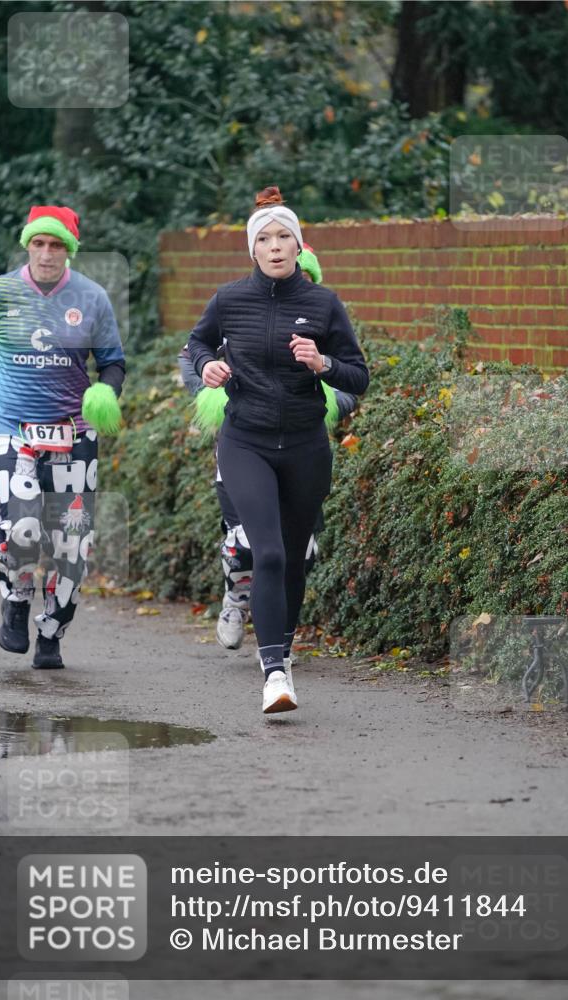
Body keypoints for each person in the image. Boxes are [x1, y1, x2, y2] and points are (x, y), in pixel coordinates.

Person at [187, 187, 369, 714]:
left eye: (283, 236)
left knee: (293, 560)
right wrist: (207, 368)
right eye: (263, 238)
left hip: (307, 447)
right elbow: (198, 344)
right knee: (265, 551)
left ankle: (281, 657)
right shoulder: (228, 300)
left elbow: (359, 373)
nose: (274, 246)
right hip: (246, 441)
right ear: (252, 249)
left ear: (298, 245)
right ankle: (272, 673)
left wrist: (323, 365)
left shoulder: (323, 304)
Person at [177, 243, 357, 653]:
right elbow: (191, 353)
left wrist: (331, 399)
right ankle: (237, 600)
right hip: (243, 444)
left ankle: (278, 636)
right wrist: (207, 385)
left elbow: (354, 382)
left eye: (307, 278)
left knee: (299, 552)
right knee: (247, 544)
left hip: (300, 448)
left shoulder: (321, 324)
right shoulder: (240, 312)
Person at [0, 205, 125, 668]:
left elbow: (113, 360)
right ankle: (17, 599)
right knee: (20, 525)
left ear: (69, 250)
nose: (46, 253)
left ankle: (51, 632)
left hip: (73, 435)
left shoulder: (93, 297)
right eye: (38, 243)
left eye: (56, 244)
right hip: (9, 429)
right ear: (27, 246)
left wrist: (106, 391)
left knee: (72, 548)